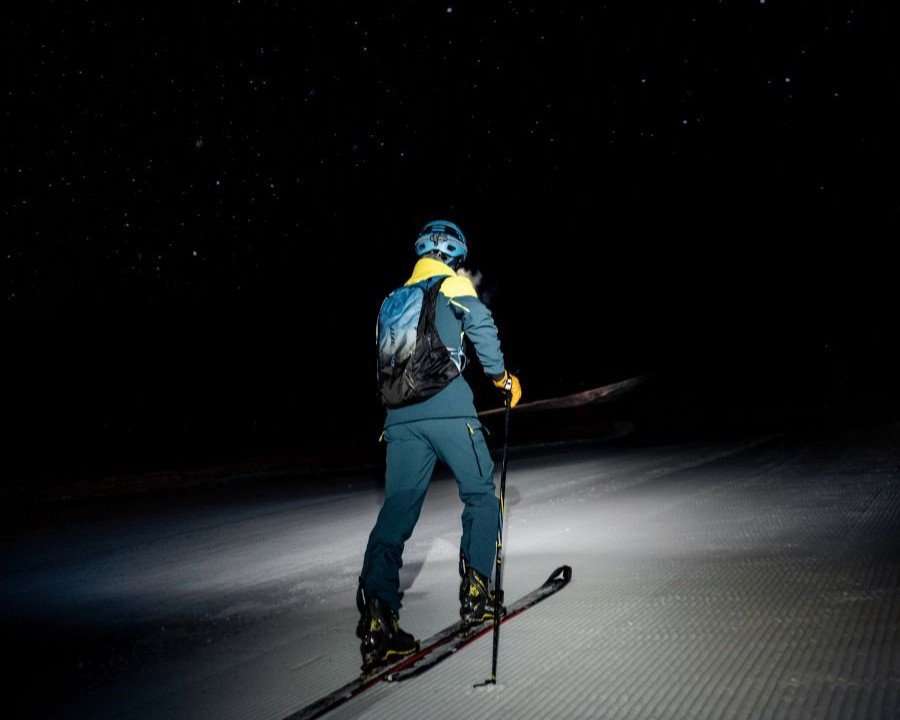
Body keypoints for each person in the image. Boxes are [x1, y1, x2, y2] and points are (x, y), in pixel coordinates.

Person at [356, 219, 522, 672]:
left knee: (396, 513)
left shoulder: (391, 299)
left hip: (400, 421)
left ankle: (378, 620)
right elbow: (482, 326)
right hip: (450, 411)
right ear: (453, 256)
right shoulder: (452, 285)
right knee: (480, 495)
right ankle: (477, 594)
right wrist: (502, 380)